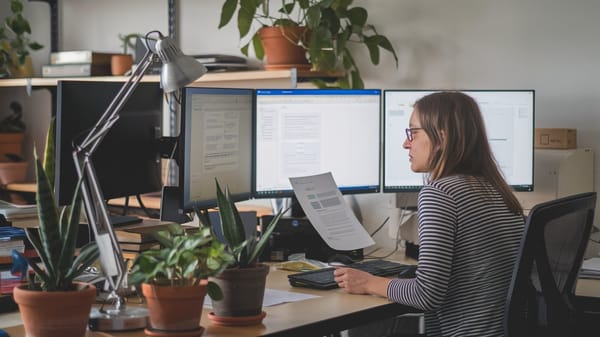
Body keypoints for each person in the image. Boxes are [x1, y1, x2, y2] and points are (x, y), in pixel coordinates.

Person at [334, 91, 525, 337]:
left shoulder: (440, 193)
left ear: (442, 138)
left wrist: (368, 282)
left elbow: (426, 294)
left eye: (413, 133)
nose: (406, 143)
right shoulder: (495, 188)